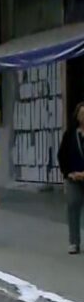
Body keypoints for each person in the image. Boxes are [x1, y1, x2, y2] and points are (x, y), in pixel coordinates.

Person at [58, 101, 84, 254]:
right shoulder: (70, 135)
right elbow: (62, 155)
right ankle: (74, 242)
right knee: (73, 207)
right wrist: (69, 173)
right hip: (74, 179)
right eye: (81, 114)